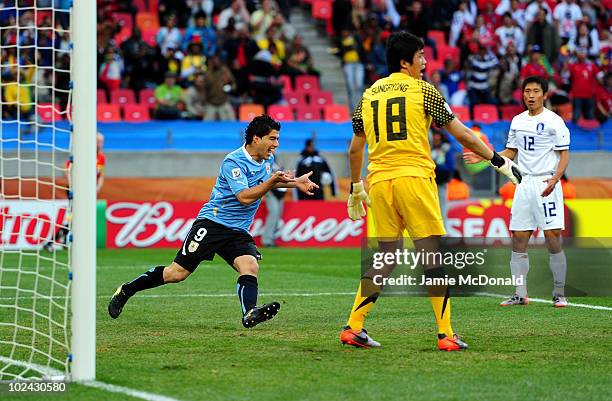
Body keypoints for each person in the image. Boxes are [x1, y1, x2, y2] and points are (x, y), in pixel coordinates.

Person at [340, 31, 521, 351]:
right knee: (431, 255)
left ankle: (354, 326)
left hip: (379, 182)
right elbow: (461, 133)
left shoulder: (368, 95)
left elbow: (356, 148)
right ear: (405, 61)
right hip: (414, 179)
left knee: (386, 255)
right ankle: (446, 333)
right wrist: (497, 161)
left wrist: (356, 185)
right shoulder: (423, 91)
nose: (425, 62)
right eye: (421, 56)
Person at [107, 116, 319, 328]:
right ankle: (127, 289)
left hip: (238, 230)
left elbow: (263, 186)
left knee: (250, 265)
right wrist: (274, 180)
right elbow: (244, 196)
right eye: (272, 139)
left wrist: (294, 183)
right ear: (256, 138)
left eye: (277, 139)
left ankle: (249, 313)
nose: (276, 144)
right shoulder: (233, 162)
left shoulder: (266, 161)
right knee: (177, 273)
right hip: (213, 224)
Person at [465, 76, 570, 308]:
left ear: (544, 94)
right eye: (527, 91)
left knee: (553, 238)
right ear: (522, 94)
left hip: (546, 182)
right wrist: (484, 156)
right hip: (523, 183)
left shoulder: (555, 122)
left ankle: (559, 292)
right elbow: (511, 152)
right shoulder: (517, 121)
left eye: (535, 91)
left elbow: (564, 154)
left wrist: (555, 179)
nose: (530, 95)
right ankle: (520, 293)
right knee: (518, 237)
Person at [44, 133, 105, 251]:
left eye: (101, 141)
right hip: (76, 191)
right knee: (74, 217)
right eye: (98, 141)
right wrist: (73, 184)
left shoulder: (101, 157)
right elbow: (65, 168)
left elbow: (101, 174)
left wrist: (98, 187)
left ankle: (60, 242)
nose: (100, 144)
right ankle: (52, 242)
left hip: (89, 192)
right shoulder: (83, 154)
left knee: (76, 218)